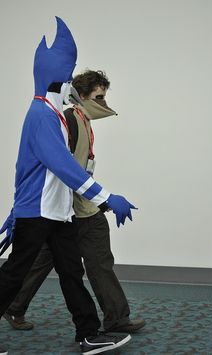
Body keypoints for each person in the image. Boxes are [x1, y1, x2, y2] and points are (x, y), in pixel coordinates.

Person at [0, 17, 136, 355]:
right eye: (67, 76)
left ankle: (88, 334)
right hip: (39, 212)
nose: (70, 85)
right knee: (15, 275)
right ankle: (83, 329)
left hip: (57, 212)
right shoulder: (42, 115)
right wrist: (106, 196)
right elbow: (60, 165)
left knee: (72, 274)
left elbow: (27, 167)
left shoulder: (54, 114)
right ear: (58, 80)